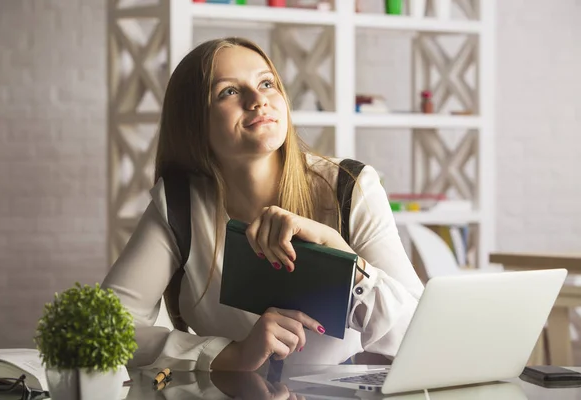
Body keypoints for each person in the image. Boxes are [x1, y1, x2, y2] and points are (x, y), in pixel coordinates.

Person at [102, 37, 424, 373]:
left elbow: (422, 337)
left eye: (267, 83)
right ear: (193, 122)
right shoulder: (179, 207)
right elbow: (108, 330)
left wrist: (338, 251)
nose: (258, 100)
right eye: (228, 91)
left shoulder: (350, 187)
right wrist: (232, 354)